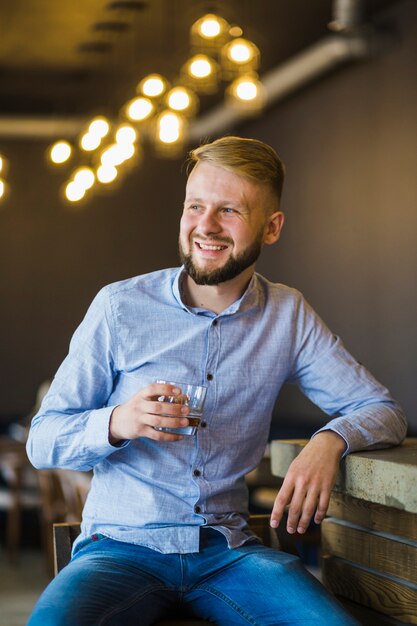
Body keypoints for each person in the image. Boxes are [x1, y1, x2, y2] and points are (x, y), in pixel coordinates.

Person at [26, 136, 407, 626]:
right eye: (195, 206)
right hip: (119, 551)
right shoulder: (119, 307)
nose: (205, 226)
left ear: (271, 228)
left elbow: (383, 409)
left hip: (230, 555)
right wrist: (119, 421)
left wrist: (331, 440)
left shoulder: (287, 314)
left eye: (228, 210)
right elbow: (43, 440)